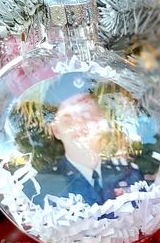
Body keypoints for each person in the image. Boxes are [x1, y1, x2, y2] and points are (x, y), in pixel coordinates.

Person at [30, 73, 145, 207]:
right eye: (68, 118)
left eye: (87, 111)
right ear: (56, 130)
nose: (80, 123)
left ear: (101, 116)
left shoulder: (130, 173)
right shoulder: (42, 186)